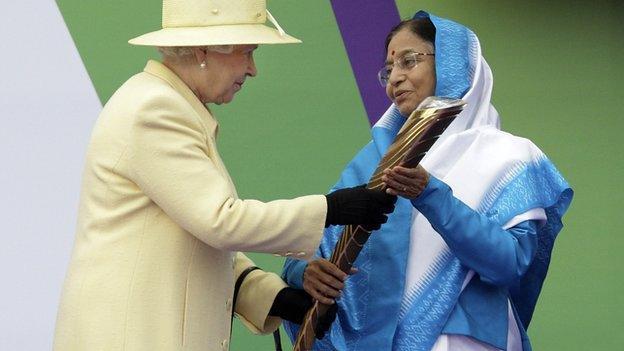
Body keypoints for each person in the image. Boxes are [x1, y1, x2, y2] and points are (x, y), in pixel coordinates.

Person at [52, 1, 397, 350]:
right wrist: (332, 209)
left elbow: (195, 240)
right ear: (205, 50)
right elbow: (220, 222)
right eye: (248, 52)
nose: (252, 69)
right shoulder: (156, 108)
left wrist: (275, 299)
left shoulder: (164, 102)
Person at [282, 11, 572, 351]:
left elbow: (509, 264)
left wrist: (430, 194)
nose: (395, 79)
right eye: (388, 71)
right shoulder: (376, 161)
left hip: (465, 339)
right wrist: (303, 272)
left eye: (409, 61)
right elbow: (311, 243)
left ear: (452, 62)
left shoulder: (508, 157)